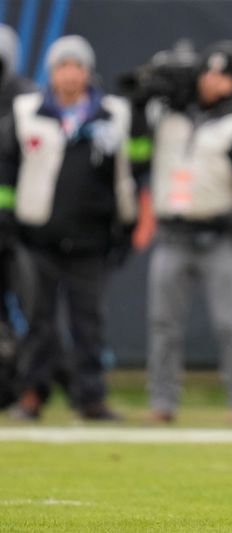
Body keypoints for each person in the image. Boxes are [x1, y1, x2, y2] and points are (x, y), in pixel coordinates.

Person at [0, 35, 138, 420]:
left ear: (88, 71)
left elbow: (128, 172)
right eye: (63, 66)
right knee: (39, 321)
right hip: (37, 237)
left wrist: (125, 223)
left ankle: (90, 397)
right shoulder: (27, 110)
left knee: (88, 323)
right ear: (52, 72)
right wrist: (6, 217)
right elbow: (7, 167)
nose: (70, 74)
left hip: (91, 238)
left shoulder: (112, 114)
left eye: (77, 66)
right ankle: (32, 393)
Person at [142, 40, 232, 423]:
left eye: (222, 75)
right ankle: (163, 402)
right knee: (163, 323)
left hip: (218, 240)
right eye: (208, 72)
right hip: (172, 234)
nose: (212, 81)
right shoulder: (168, 115)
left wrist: (226, 220)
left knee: (230, 324)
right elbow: (135, 131)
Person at [0, 24, 37, 409]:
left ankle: (29, 388)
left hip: (22, 228)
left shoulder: (27, 99)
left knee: (34, 310)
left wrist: (10, 213)